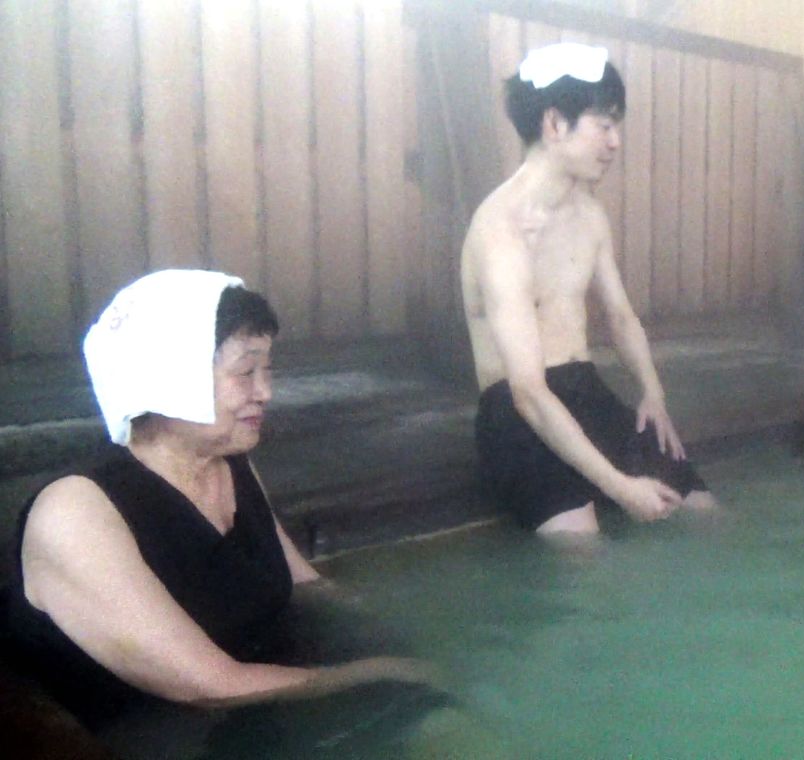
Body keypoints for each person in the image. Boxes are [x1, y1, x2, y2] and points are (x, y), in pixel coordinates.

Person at [5, 269, 439, 732]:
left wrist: (403, 631)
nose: (266, 392)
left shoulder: (229, 463)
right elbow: (208, 685)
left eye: (267, 370)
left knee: (436, 718)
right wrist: (384, 671)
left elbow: (303, 586)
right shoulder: (74, 513)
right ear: (170, 377)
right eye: (246, 372)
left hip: (250, 701)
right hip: (136, 730)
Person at [461, 42, 714, 537]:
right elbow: (528, 392)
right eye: (604, 125)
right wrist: (622, 488)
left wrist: (653, 392)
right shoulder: (500, 231)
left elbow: (620, 316)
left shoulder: (589, 215)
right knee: (583, 546)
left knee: (703, 511)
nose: (616, 142)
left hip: (584, 390)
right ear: (555, 124)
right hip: (515, 412)